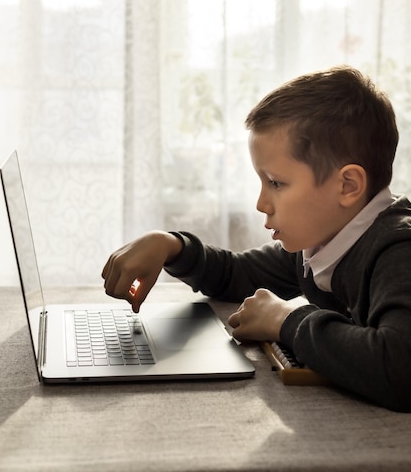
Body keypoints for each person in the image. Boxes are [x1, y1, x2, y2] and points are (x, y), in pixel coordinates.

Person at [102, 65, 411, 412]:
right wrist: (172, 246)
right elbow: (237, 275)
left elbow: (399, 369)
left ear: (348, 186)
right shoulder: (321, 243)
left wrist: (285, 321)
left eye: (276, 183)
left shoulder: (397, 250)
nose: (261, 203)